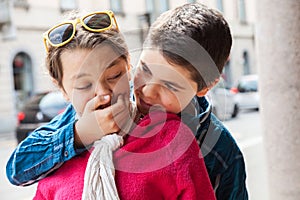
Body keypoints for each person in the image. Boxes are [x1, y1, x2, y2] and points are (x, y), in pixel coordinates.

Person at [6, 3, 248, 199]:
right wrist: (79, 135)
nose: (148, 92)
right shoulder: (95, 110)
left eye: (170, 86)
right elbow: (17, 170)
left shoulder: (220, 152)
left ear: (205, 86)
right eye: (146, 69)